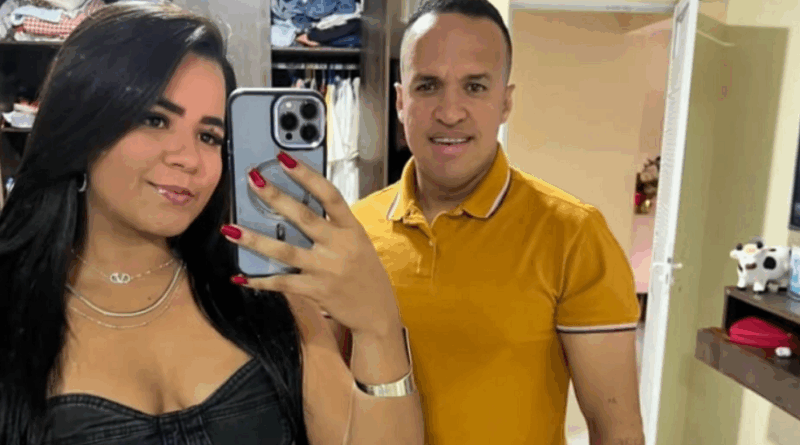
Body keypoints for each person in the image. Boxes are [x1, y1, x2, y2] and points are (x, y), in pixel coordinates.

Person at [0, 2, 423, 444]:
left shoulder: (264, 293)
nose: (188, 159)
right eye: (155, 119)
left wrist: (378, 327)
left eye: (208, 136)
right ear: (84, 123)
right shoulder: (13, 301)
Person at [350, 0, 645, 444]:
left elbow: (617, 432)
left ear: (505, 102)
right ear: (400, 101)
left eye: (474, 87)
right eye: (428, 86)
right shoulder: (354, 232)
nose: (450, 112)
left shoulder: (573, 234)